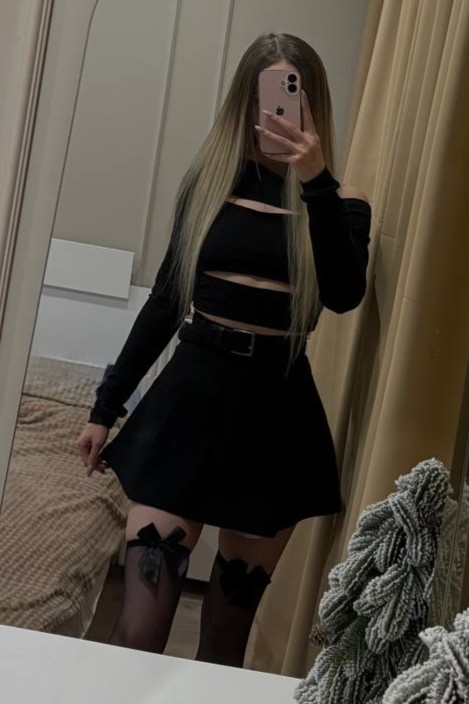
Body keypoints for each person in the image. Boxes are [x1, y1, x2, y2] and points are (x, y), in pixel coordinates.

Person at [76, 32, 371, 668]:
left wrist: (315, 182)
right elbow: (164, 302)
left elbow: (344, 295)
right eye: (267, 97)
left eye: (291, 97)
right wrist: (106, 407)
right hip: (188, 404)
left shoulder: (340, 205)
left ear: (312, 104)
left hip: (276, 420)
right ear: (247, 101)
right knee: (137, 633)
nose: (277, 112)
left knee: (223, 642)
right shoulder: (208, 187)